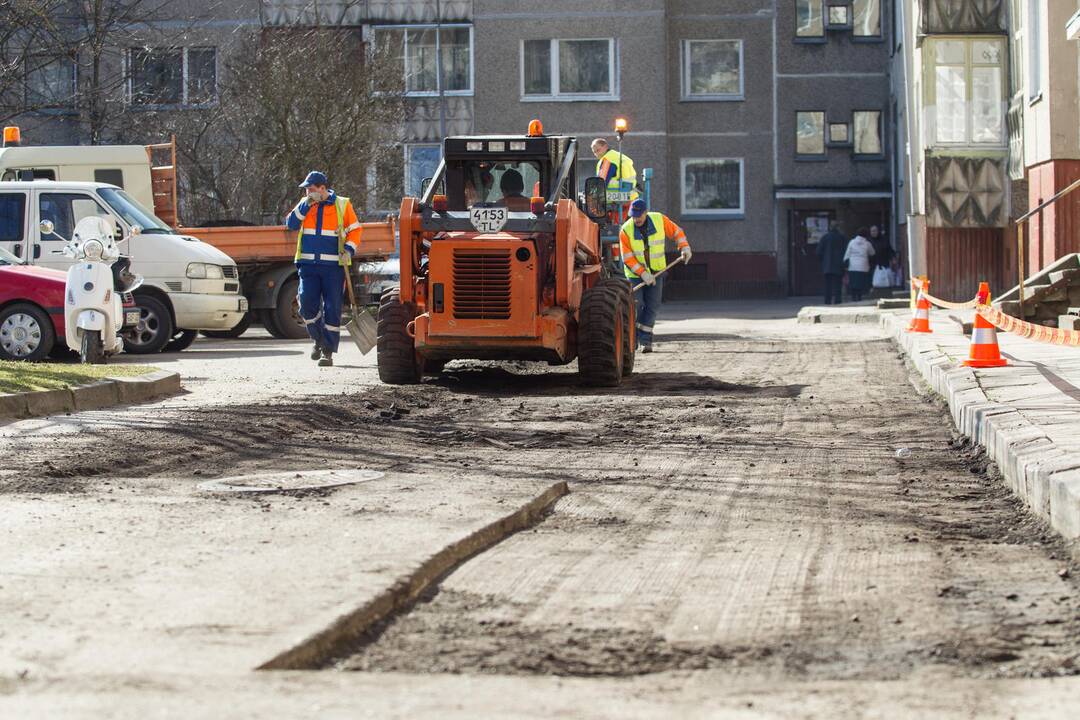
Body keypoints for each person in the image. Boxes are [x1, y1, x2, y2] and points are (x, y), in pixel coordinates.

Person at [284, 170, 362, 367]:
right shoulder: (306, 204)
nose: (308, 192)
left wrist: (349, 250)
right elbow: (291, 224)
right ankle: (317, 339)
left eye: (311, 189)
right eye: (307, 190)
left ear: (322, 188)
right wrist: (306, 203)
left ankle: (327, 351)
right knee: (307, 305)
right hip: (308, 264)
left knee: (332, 308)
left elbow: (355, 230)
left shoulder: (342, 204)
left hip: (333, 267)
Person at [620, 199, 691, 353]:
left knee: (652, 306)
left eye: (639, 216)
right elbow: (627, 258)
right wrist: (643, 273)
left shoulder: (659, 220)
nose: (636, 219)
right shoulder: (625, 230)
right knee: (636, 306)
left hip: (657, 273)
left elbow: (677, 232)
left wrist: (684, 247)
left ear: (646, 213)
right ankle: (632, 341)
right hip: (635, 275)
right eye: (633, 216)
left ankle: (645, 341)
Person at [816, 221, 847, 305]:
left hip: (827, 265)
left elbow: (818, 252)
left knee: (827, 285)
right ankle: (838, 301)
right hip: (839, 265)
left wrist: (823, 261)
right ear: (838, 227)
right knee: (838, 285)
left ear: (830, 227)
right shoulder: (842, 238)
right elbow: (846, 252)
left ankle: (827, 301)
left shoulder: (825, 237)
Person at [843, 227, 876, 302]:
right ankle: (859, 297)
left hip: (853, 266)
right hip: (863, 266)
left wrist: (845, 263)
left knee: (853, 282)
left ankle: (853, 297)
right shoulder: (867, 244)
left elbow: (847, 254)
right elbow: (872, 253)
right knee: (861, 283)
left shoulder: (851, 242)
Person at [869, 224, 894, 290]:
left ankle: (885, 290)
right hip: (873, 264)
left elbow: (889, 249)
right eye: (872, 231)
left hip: (884, 262)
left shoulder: (884, 239)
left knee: (884, 278)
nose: (873, 233)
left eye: (875, 231)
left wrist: (892, 258)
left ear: (878, 231)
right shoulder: (869, 241)